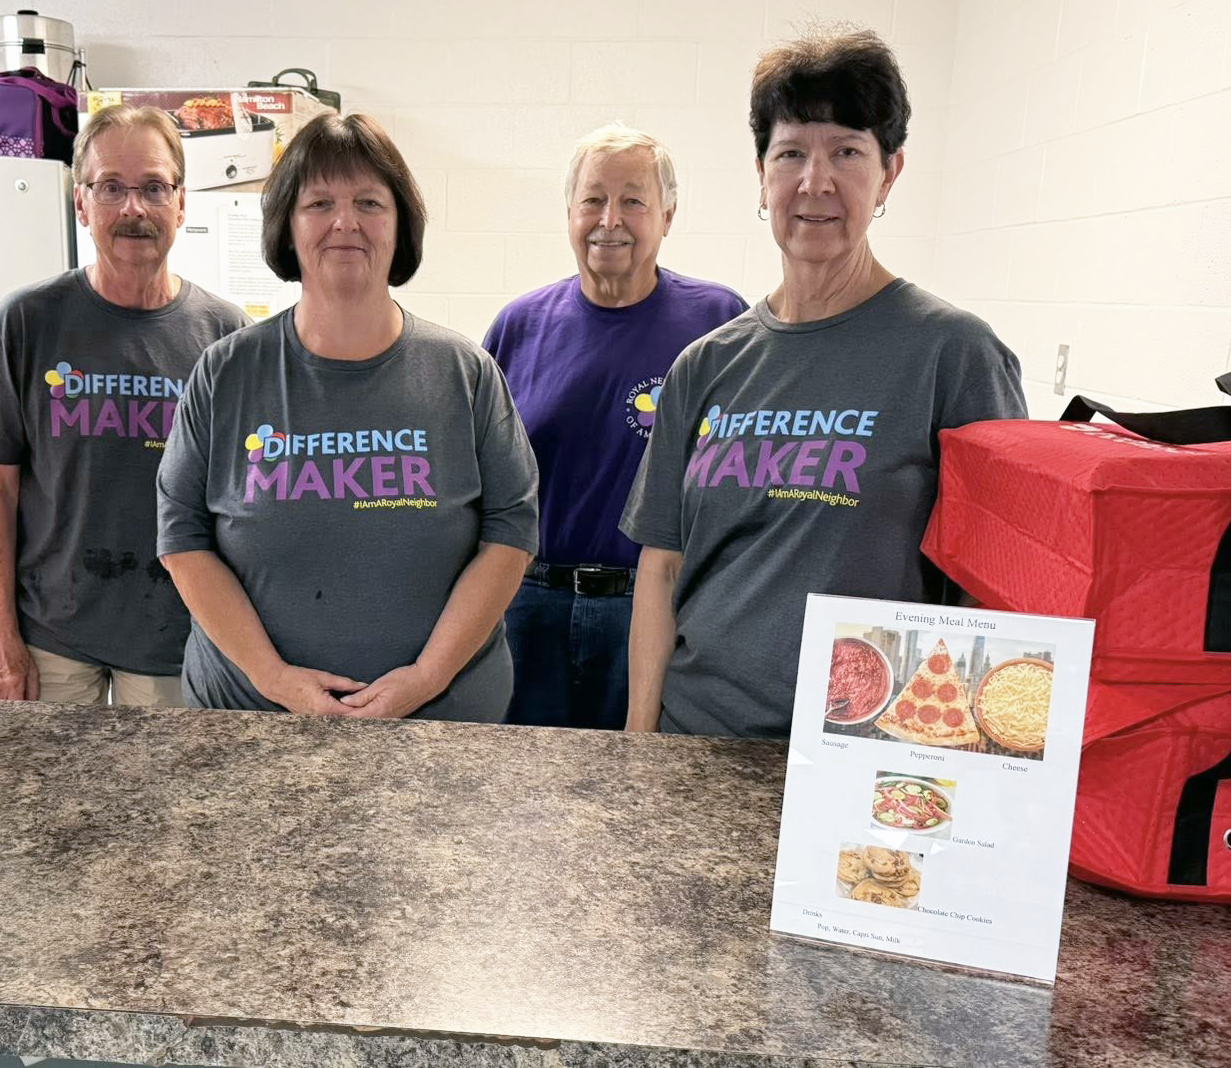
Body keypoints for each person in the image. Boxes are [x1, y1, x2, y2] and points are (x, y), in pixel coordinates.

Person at [621, 28, 1026, 737]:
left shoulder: (953, 354)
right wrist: (638, 740)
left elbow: (994, 588)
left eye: (846, 151)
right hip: (698, 742)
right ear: (761, 174)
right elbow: (661, 569)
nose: (816, 182)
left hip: (865, 753)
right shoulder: (707, 365)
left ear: (890, 172)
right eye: (791, 154)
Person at [156, 113, 539, 722]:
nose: (345, 222)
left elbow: (511, 532)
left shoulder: (464, 373)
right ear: (286, 225)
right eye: (319, 203)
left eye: (369, 202)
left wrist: (427, 676)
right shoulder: (224, 374)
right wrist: (274, 677)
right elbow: (183, 539)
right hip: (252, 717)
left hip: (441, 720)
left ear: (401, 224)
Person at [0, 105, 249, 705]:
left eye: (153, 188)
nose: (133, 209)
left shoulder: (225, 336)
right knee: (45, 798)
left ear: (181, 204)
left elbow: (241, 505)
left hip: (177, 639)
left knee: (165, 802)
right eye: (111, 187)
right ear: (81, 204)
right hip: (49, 637)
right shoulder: (23, 323)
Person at [484, 123, 746, 731]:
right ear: (570, 213)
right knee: (520, 795)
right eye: (593, 199)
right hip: (530, 607)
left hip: (655, 609)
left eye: (634, 200)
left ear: (667, 216)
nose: (611, 218)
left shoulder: (718, 324)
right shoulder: (518, 327)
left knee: (643, 795)